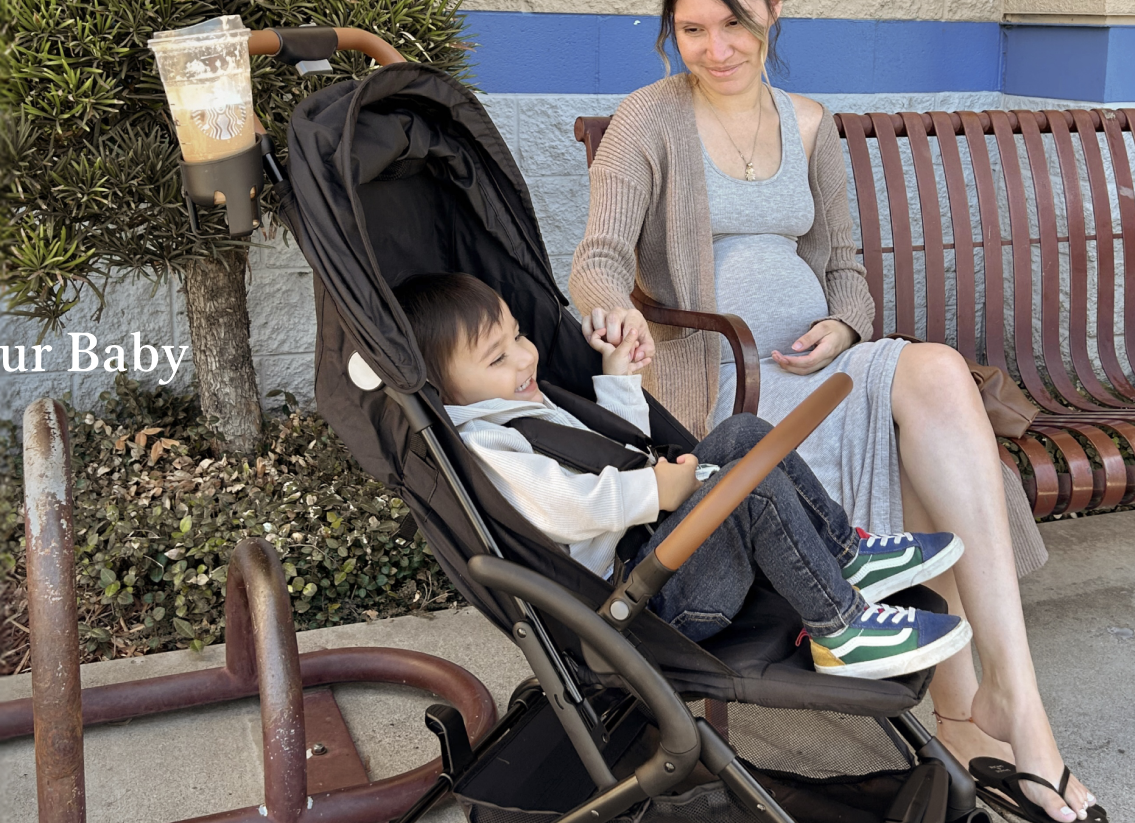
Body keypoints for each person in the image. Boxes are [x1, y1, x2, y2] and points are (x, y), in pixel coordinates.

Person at [565, 1, 1098, 820]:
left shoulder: (811, 124)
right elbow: (599, 259)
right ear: (672, 32)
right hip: (725, 386)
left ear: (771, 14)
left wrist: (841, 324)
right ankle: (972, 716)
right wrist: (614, 309)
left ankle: (1017, 707)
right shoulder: (648, 118)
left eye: (735, 24)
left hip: (826, 372)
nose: (717, 48)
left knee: (939, 378)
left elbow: (848, 270)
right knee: (919, 434)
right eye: (695, 30)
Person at [394, 272, 969, 680]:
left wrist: (617, 379)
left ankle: (845, 555)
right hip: (649, 604)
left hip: (660, 552)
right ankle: (839, 632)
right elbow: (561, 504)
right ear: (442, 387)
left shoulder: (522, 403)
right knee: (752, 486)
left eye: (518, 336)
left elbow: (611, 451)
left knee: (744, 434)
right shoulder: (484, 440)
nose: (524, 357)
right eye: (496, 358)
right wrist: (654, 491)